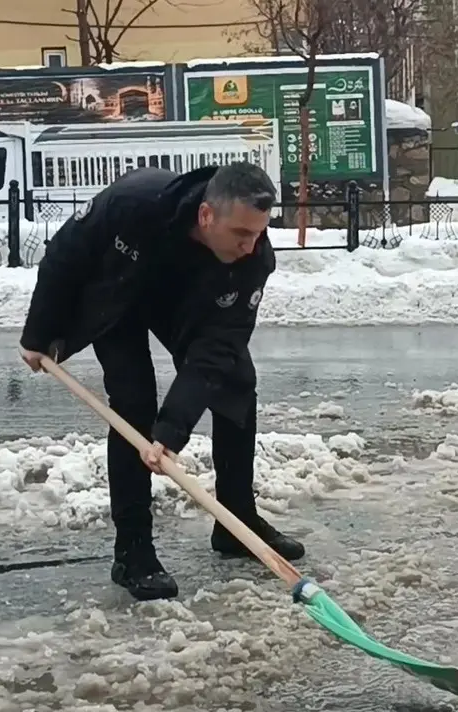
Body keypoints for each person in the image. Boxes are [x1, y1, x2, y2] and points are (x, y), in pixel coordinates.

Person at [18, 161, 305, 601]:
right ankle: (132, 550)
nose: (251, 246)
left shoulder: (252, 260)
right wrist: (39, 333)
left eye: (258, 233)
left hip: (186, 301)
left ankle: (236, 523)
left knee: (236, 384)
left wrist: (172, 431)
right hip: (119, 292)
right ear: (206, 215)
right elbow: (66, 254)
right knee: (133, 402)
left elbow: (216, 350)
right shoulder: (134, 203)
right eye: (240, 234)